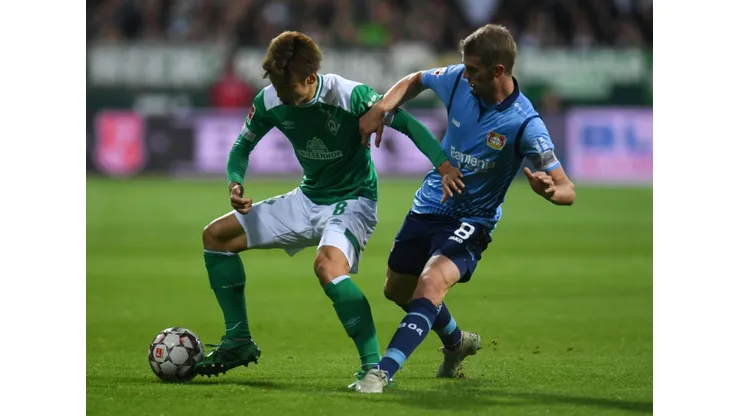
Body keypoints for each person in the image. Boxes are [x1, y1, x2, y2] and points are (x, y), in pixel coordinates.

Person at [195, 31, 464, 385]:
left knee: (327, 266)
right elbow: (241, 148)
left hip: (353, 200)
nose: (282, 96)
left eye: (289, 89)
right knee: (216, 237)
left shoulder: (349, 96)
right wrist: (235, 183)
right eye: (276, 86)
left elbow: (410, 124)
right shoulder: (270, 98)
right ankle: (238, 340)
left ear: (311, 77)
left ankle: (372, 366)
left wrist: (444, 166)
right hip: (307, 197)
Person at [353, 24, 576, 393]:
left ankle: (381, 373)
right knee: (397, 290)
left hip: (473, 220)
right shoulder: (457, 80)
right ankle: (457, 342)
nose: (466, 75)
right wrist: (381, 107)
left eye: (473, 69)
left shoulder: (525, 123)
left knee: (430, 283)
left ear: (498, 70)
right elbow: (416, 79)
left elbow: (567, 188)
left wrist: (551, 190)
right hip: (429, 204)